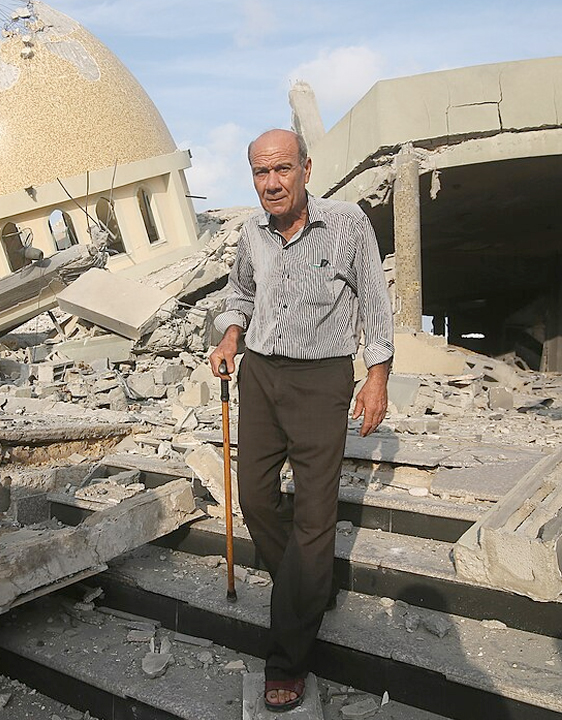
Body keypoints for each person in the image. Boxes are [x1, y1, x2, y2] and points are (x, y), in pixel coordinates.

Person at [208, 129, 393, 712]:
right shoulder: (250, 232)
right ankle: (310, 585)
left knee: (315, 514)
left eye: (282, 170)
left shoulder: (347, 225)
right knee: (256, 497)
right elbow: (240, 291)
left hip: (321, 379)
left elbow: (373, 300)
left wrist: (377, 374)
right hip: (260, 373)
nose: (271, 183)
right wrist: (230, 336)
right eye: (261, 173)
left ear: (306, 169)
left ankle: (287, 656)